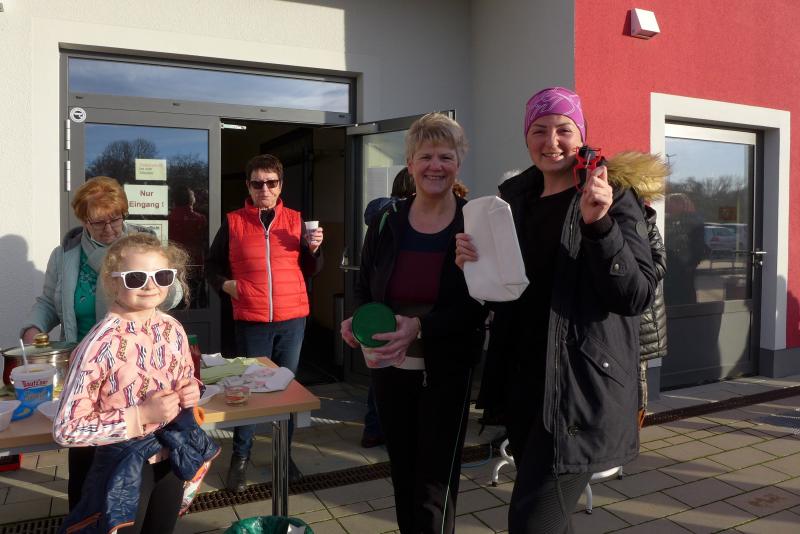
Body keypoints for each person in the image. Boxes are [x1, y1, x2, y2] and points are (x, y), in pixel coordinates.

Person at [457, 87, 657, 533]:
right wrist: (473, 264)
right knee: (549, 522)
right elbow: (509, 291)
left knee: (530, 522)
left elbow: (636, 295)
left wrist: (599, 224)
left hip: (579, 390)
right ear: (526, 137)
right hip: (524, 384)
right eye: (539, 130)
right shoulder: (516, 198)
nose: (551, 142)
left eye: (564, 129)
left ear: (581, 134)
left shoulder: (612, 194)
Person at [341, 113, 487, 533]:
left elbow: (479, 306)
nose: (435, 166)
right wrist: (357, 321)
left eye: (445, 156)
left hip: (446, 371)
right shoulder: (387, 221)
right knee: (403, 475)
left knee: (434, 486)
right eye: (425, 156)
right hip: (390, 370)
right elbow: (364, 287)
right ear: (410, 163)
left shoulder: (474, 224)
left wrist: (420, 327)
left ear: (458, 162)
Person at [20, 176, 182, 511]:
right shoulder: (65, 255)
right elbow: (49, 301)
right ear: (83, 221)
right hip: (85, 365)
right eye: (98, 222)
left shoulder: (139, 248)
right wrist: (34, 327)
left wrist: (158, 281)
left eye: (115, 219)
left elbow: (170, 293)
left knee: (131, 458)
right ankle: (86, 515)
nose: (109, 229)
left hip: (130, 371)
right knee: (85, 457)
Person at [54, 233, 218, 534]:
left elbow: (185, 376)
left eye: (162, 275)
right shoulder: (99, 343)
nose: (150, 285)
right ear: (113, 282)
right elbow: (67, 429)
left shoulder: (173, 328)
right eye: (136, 277)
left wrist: (192, 390)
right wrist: (140, 415)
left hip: (170, 456)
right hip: (119, 467)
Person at [205, 154, 323, 492]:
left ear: (280, 185)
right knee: (248, 392)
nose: (265, 189)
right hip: (252, 320)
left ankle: (284, 455)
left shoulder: (296, 221)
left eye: (271, 183)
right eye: (257, 183)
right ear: (248, 186)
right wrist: (226, 285)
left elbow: (312, 270)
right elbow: (211, 265)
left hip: (292, 319)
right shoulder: (234, 222)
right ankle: (240, 458)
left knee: (287, 391)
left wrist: (315, 250)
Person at [360, 167, 416, 449]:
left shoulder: (378, 214)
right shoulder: (403, 216)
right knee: (405, 368)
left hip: (379, 305)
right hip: (405, 306)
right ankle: (398, 429)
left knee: (381, 369)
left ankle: (373, 429)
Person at [638, 203, 668, 428]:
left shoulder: (643, 218)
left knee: (636, 379)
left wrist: (631, 278)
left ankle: (633, 432)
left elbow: (660, 262)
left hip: (642, 319)